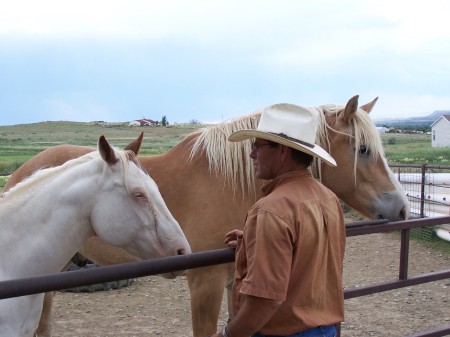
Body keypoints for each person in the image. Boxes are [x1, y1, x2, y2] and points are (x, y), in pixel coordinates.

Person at [208, 103, 346, 337]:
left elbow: (266, 300)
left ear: (282, 151)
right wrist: (255, 241)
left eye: (257, 146)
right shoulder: (329, 199)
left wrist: (226, 335)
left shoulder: (271, 211)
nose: (252, 154)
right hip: (325, 330)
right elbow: (311, 254)